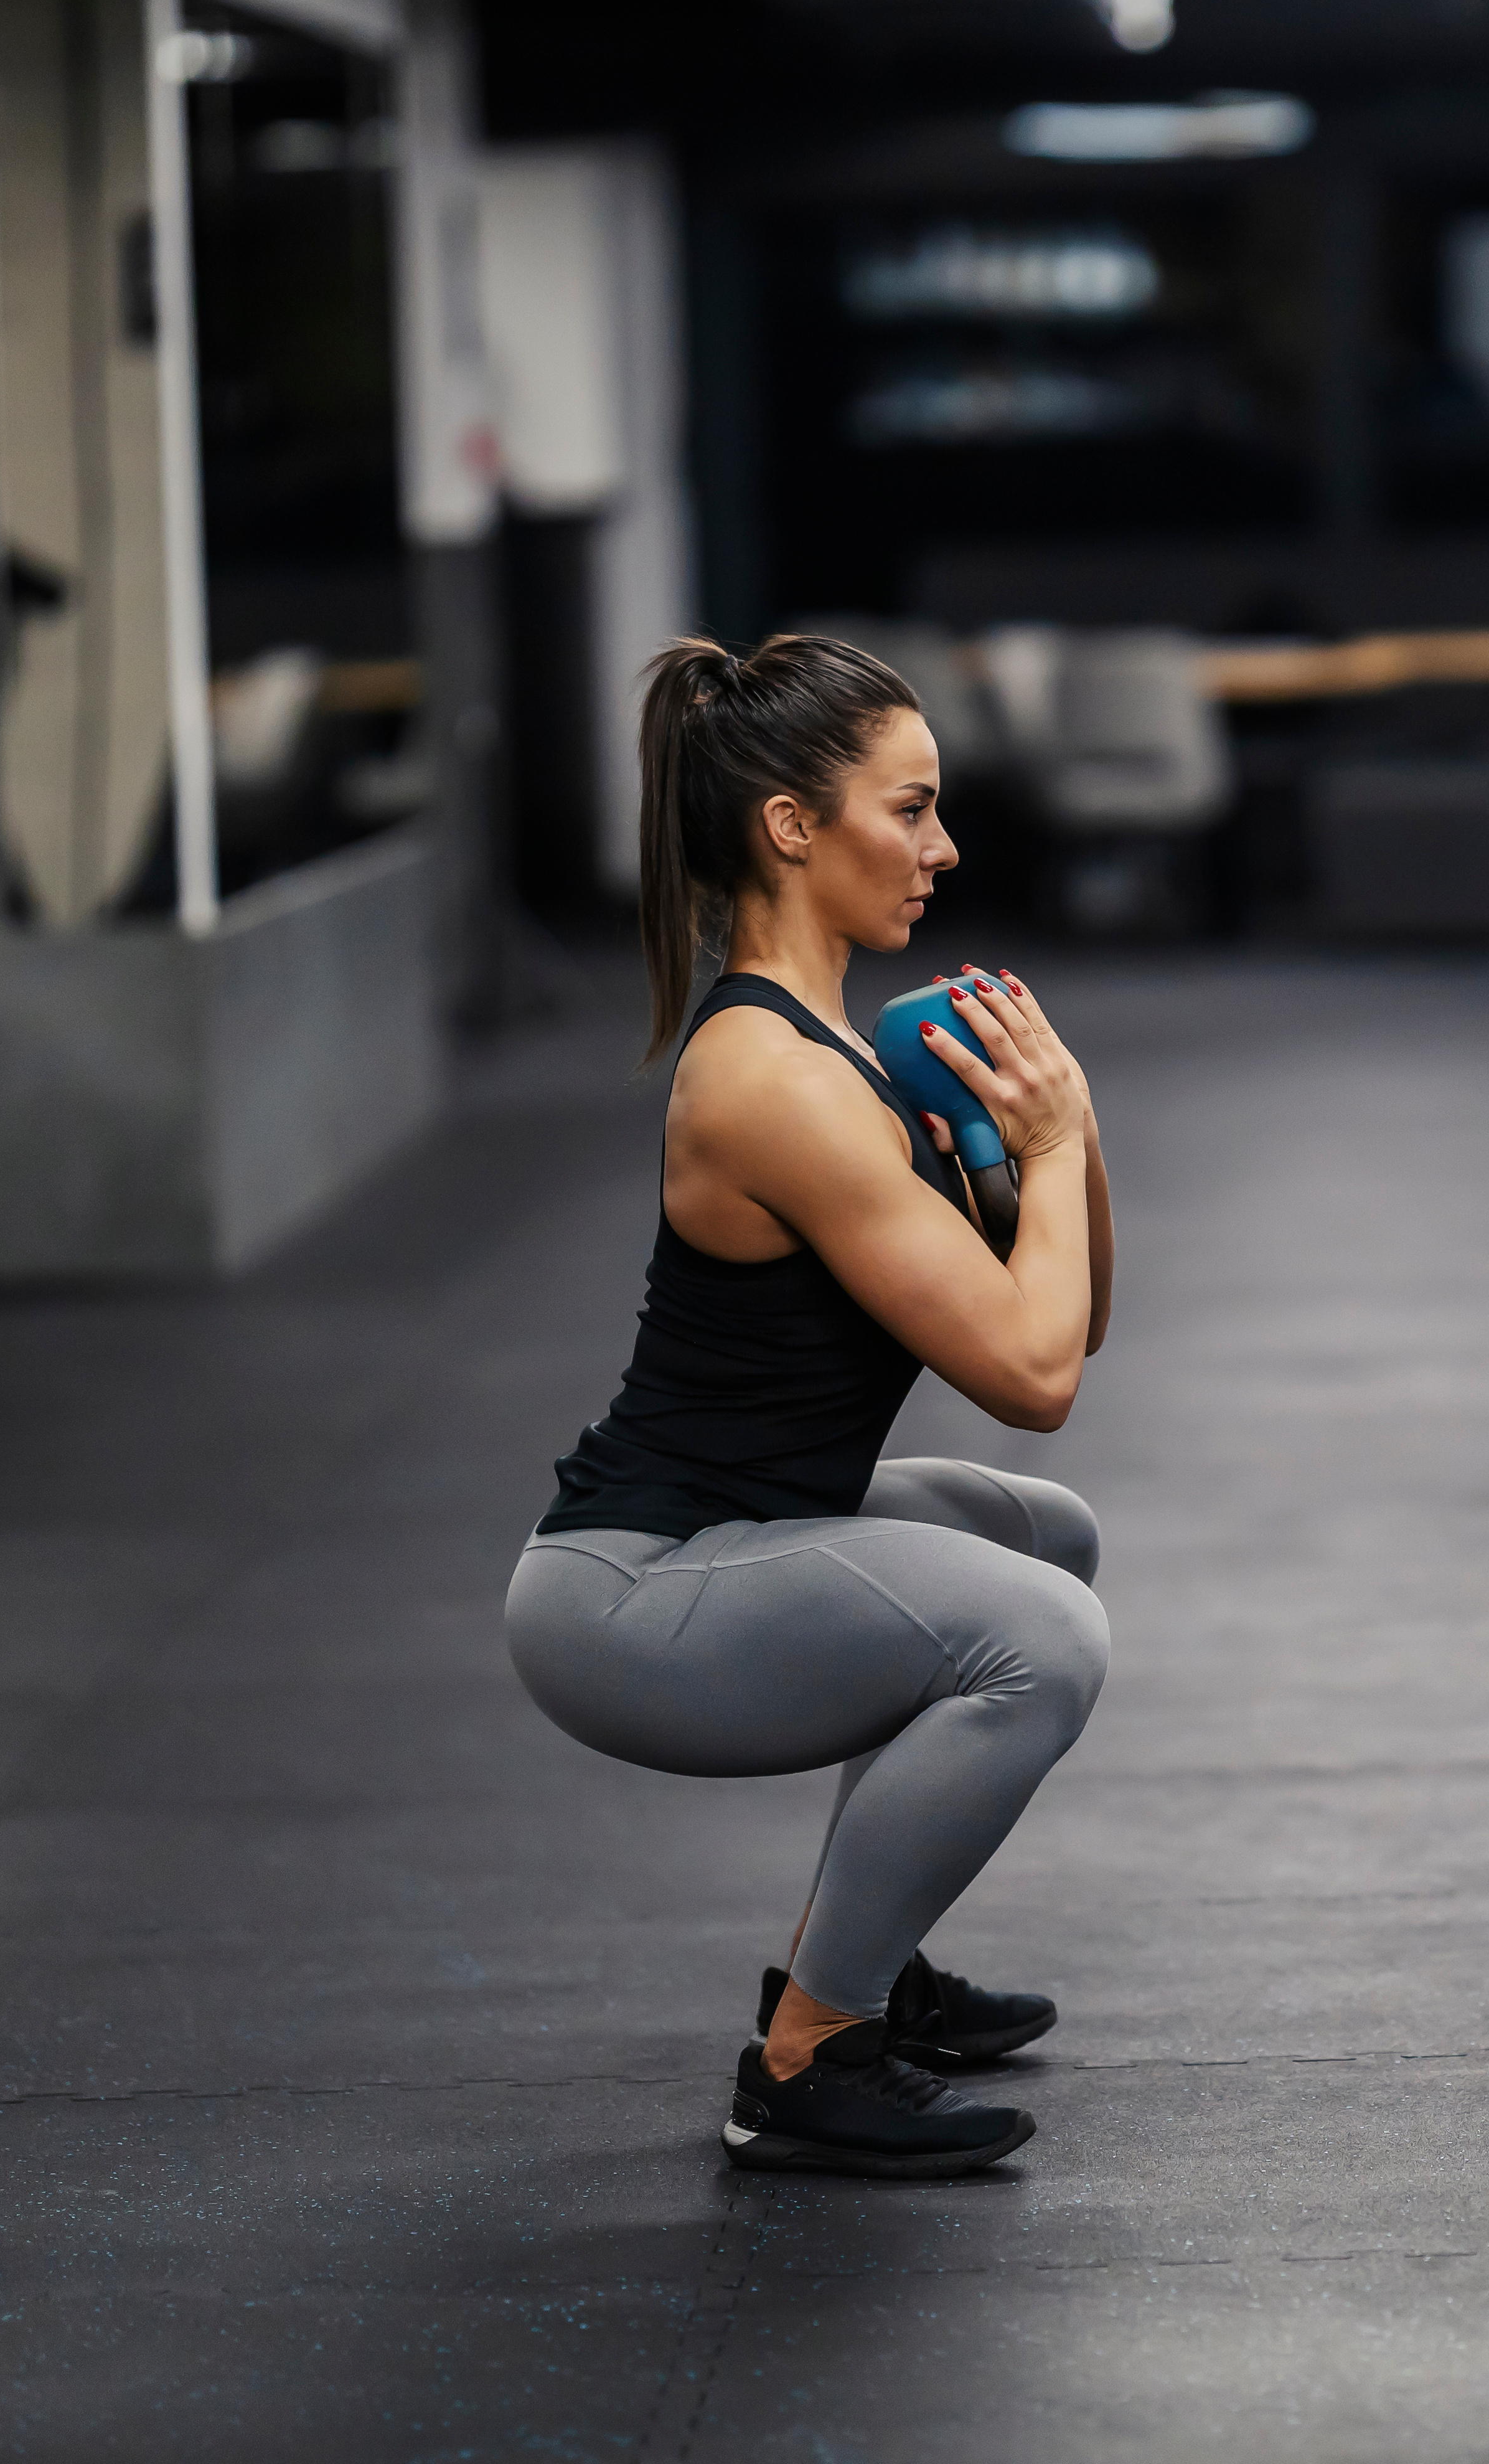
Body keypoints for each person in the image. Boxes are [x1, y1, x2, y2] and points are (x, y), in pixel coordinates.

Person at [506, 633, 1117, 2182]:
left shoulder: (843, 1045)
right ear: (792, 824)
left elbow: (1064, 1323)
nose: (942, 846)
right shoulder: (771, 1078)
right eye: (908, 810)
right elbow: (1034, 1378)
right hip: (634, 1590)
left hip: (735, 1531)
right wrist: (1045, 1148)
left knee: (1041, 1537)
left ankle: (860, 1950)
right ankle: (807, 2054)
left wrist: (1070, 1135)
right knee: (1045, 1638)